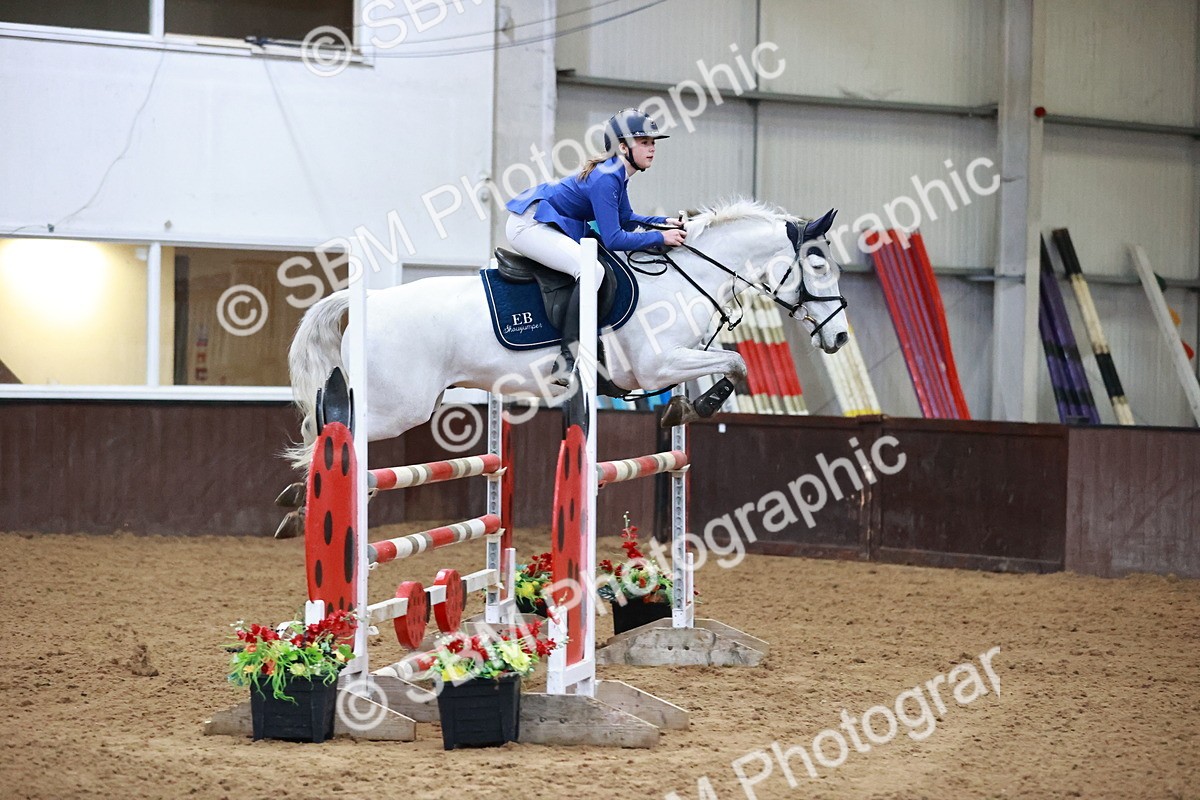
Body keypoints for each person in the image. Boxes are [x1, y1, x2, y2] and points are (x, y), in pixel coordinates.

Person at [505, 108, 687, 383]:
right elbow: (615, 239)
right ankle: (566, 360)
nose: (652, 150)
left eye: (653, 143)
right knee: (592, 271)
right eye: (645, 143)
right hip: (528, 225)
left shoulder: (617, 174)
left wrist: (663, 222)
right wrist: (660, 237)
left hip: (543, 221)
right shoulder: (607, 178)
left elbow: (626, 220)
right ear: (623, 147)